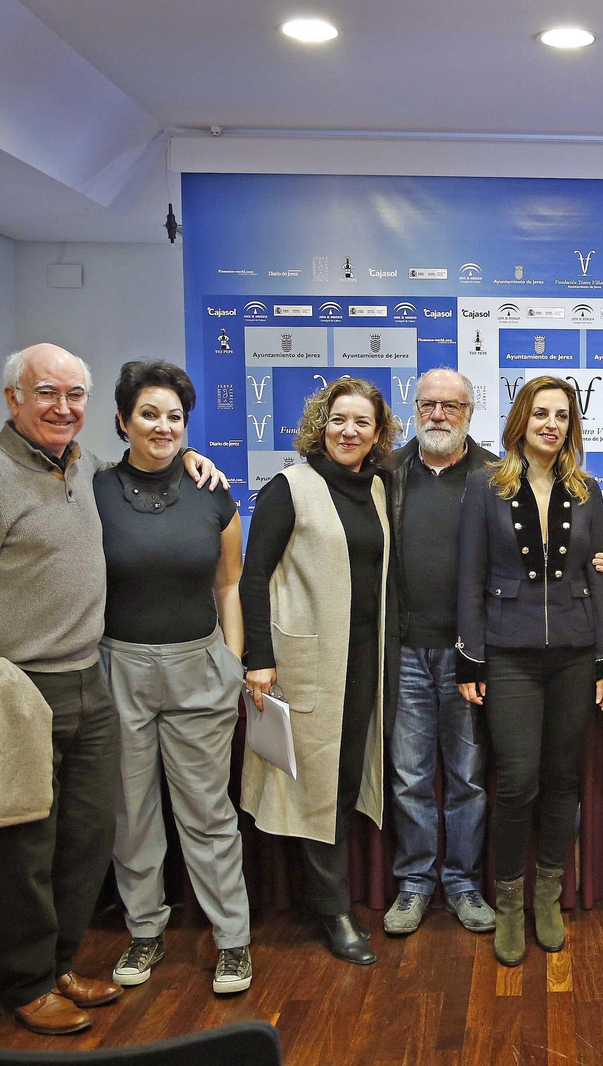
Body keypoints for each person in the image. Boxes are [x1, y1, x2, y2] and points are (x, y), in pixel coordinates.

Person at [0, 344, 219, 1034]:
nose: (63, 407)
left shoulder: (81, 469)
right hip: (19, 690)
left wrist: (190, 461)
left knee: (85, 839)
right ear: (13, 398)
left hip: (90, 679)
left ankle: (60, 966)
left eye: (74, 395)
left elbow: (146, 470)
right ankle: (23, 986)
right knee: (26, 849)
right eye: (46, 392)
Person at [93, 361, 252, 995]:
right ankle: (144, 930)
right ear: (122, 421)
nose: (163, 426)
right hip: (118, 667)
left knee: (208, 813)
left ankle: (232, 940)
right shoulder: (94, 489)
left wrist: (234, 663)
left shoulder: (211, 490)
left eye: (174, 417)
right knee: (131, 812)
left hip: (199, 666)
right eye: (149, 414)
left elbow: (231, 583)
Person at [456, 375, 603, 966]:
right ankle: (507, 903)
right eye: (541, 413)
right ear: (521, 419)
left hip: (576, 655)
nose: (552, 423)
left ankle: (547, 898)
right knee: (519, 781)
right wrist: (469, 657)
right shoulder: (485, 488)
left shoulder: (587, 489)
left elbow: (601, 580)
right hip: (508, 658)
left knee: (562, 781)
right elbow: (469, 578)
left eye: (562, 415)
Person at [240, 377, 399, 966]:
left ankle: (332, 897)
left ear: (378, 433)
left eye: (362, 422)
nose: (349, 431)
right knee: (317, 788)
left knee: (348, 778)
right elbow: (253, 576)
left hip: (364, 660)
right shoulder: (290, 487)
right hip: (307, 665)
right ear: (320, 424)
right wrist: (258, 658)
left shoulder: (380, 489)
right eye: (338, 420)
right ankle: (331, 910)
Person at [380, 369, 499, 936]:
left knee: (468, 777)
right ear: (414, 408)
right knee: (408, 777)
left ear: (470, 413)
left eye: (451, 407)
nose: (438, 416)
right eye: (428, 404)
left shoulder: (497, 476)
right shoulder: (385, 473)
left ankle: (463, 882)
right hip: (402, 650)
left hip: (469, 656)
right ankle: (415, 883)